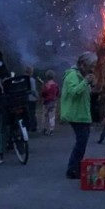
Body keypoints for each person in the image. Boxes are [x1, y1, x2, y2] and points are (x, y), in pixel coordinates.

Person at [61, 51, 97, 179]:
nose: (92, 69)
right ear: (82, 65)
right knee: (81, 141)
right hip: (75, 114)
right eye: (90, 66)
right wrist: (85, 82)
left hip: (82, 114)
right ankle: (72, 168)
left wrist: (92, 87)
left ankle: (76, 166)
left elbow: (84, 94)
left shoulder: (82, 76)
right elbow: (74, 92)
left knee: (82, 141)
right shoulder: (72, 75)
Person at [40, 69, 60, 136]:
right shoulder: (55, 85)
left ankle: (44, 129)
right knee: (52, 116)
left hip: (46, 102)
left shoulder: (46, 85)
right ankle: (51, 130)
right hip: (53, 102)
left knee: (45, 116)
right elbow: (57, 93)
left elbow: (43, 93)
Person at [24, 65, 39, 133]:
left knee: (26, 113)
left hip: (24, 99)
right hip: (32, 99)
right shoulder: (32, 80)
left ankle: (26, 126)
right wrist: (37, 96)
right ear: (31, 72)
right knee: (32, 113)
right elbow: (33, 90)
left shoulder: (22, 79)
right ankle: (33, 127)